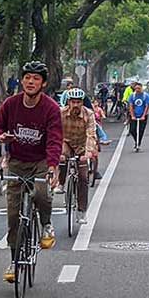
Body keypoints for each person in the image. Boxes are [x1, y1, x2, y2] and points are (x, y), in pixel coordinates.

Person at [0, 60, 63, 283]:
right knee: (13, 216)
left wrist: (52, 166)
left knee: (42, 194)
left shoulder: (50, 108)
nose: (30, 82)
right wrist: (1, 136)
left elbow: (54, 139)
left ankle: (46, 224)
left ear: (43, 83)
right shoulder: (11, 104)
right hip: (16, 161)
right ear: (22, 80)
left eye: (36, 79)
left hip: (40, 161)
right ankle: (14, 261)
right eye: (27, 77)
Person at [57, 88, 98, 224]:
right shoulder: (61, 113)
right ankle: (61, 183)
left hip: (82, 146)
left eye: (78, 102)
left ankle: (81, 211)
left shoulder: (89, 114)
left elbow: (91, 134)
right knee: (63, 158)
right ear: (68, 102)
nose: (75, 105)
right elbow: (55, 132)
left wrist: (88, 152)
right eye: (73, 102)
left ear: (82, 102)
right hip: (66, 142)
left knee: (83, 177)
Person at [127, 82, 149, 152]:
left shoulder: (145, 96)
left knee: (141, 131)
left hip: (143, 115)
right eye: (136, 88)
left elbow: (147, 106)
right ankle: (136, 140)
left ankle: (138, 144)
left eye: (139, 88)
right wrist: (132, 116)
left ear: (141, 88)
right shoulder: (132, 96)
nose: (137, 90)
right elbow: (131, 106)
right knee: (132, 130)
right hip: (134, 115)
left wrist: (143, 116)